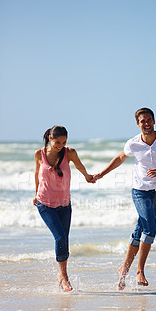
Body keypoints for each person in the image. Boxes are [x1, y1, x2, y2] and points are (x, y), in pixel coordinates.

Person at [94, 107, 156, 290]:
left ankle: (123, 269)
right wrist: (102, 173)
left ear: (154, 121)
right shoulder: (133, 143)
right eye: (143, 121)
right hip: (140, 191)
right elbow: (119, 158)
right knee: (150, 227)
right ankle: (139, 271)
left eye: (149, 120)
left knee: (140, 229)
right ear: (137, 124)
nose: (147, 123)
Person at [33, 125, 95, 292]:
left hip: (64, 204)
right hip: (45, 203)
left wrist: (87, 176)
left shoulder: (70, 153)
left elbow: (80, 166)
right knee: (60, 238)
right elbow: (37, 173)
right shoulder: (39, 154)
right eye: (57, 142)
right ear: (50, 139)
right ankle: (65, 278)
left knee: (64, 241)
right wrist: (35, 193)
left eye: (64, 142)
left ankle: (61, 275)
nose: (61, 145)